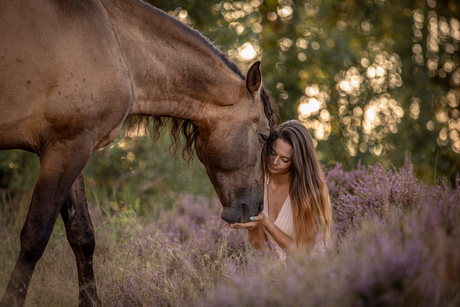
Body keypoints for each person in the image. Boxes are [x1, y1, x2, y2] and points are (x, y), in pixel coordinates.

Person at [228, 120, 332, 258]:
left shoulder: (308, 195)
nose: (275, 162)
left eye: (284, 159)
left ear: (297, 162)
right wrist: (251, 223)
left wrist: (266, 223)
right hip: (270, 271)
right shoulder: (258, 182)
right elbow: (260, 247)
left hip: (306, 273)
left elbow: (303, 254)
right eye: (272, 153)